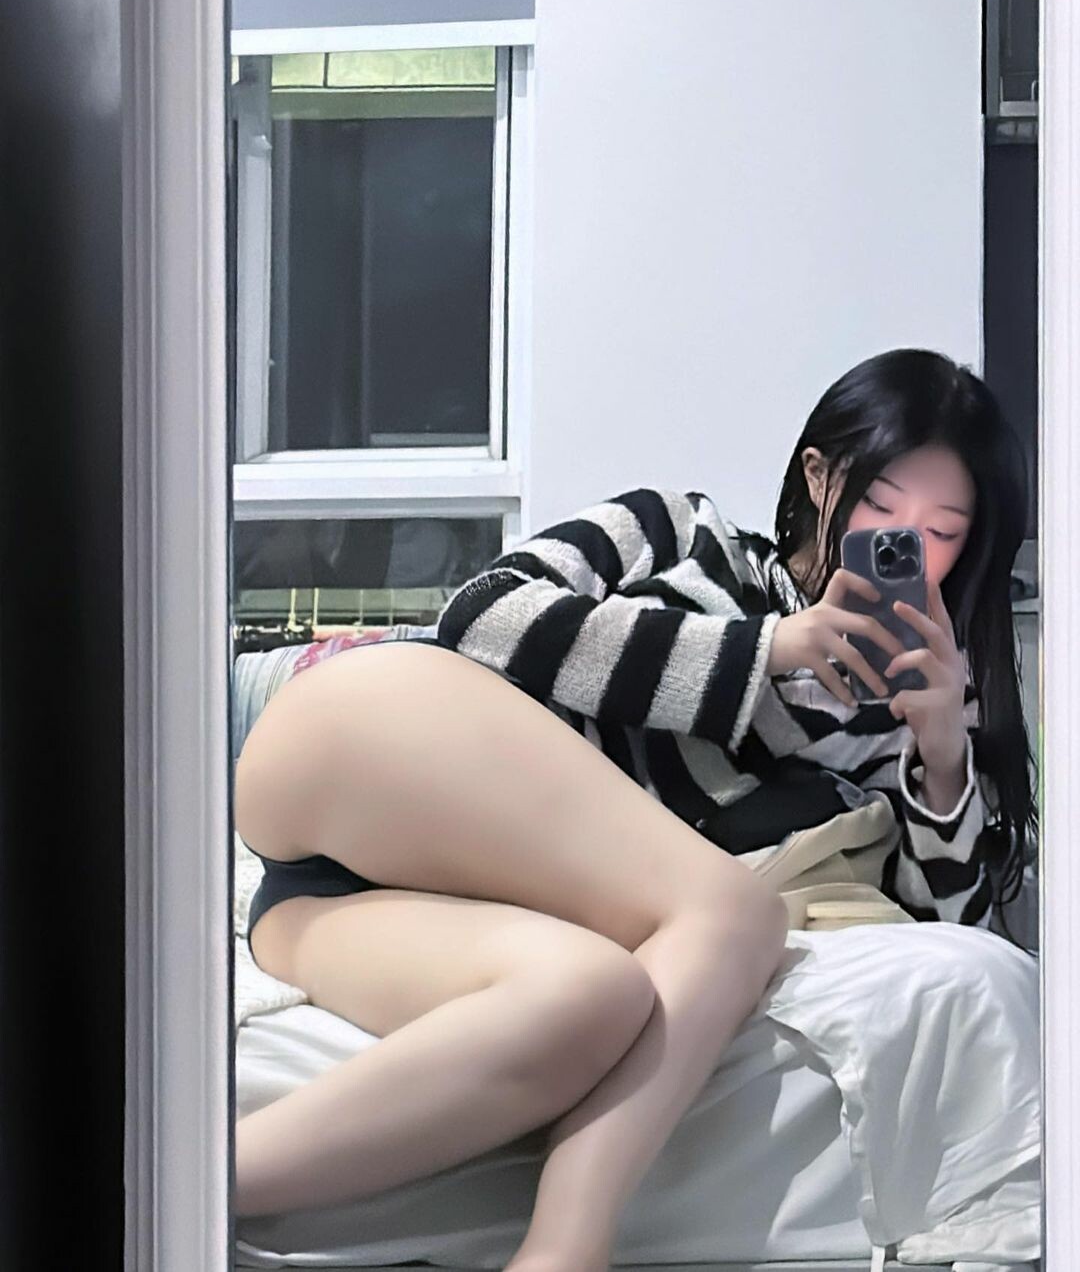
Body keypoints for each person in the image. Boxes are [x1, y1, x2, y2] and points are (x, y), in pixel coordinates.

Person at [234, 347, 1037, 1269]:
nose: (904, 547)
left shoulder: (907, 713)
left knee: (591, 997)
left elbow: (951, 938)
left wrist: (942, 752)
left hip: (325, 902)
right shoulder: (682, 532)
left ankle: (179, 1183)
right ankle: (565, 1251)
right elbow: (483, 615)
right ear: (818, 477)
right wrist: (769, 648)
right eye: (881, 510)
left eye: (941, 532)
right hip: (369, 745)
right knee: (732, 914)